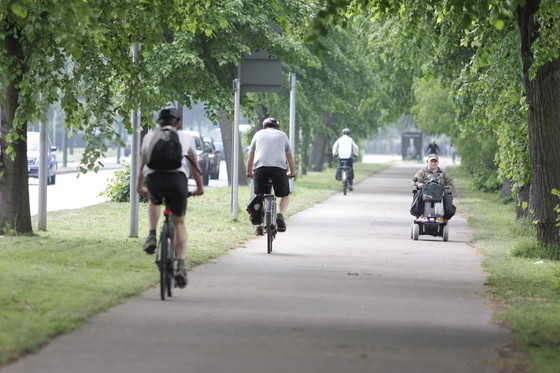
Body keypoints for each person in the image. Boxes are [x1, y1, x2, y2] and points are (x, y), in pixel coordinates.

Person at [137, 107, 204, 288]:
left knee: (154, 200)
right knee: (179, 223)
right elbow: (195, 167)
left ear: (159, 122)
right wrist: (199, 188)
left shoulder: (149, 137)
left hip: (156, 179)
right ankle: (181, 265)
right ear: (177, 123)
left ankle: (151, 235)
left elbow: (142, 166)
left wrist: (139, 186)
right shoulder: (186, 137)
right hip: (177, 180)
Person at [246, 117, 296, 236]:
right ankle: (280, 214)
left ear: (263, 127)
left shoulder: (258, 134)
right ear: (277, 127)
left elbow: (251, 156)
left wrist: (249, 172)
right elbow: (289, 156)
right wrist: (292, 171)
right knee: (285, 194)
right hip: (278, 169)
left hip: (260, 169)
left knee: (259, 196)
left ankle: (258, 227)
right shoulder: (283, 135)